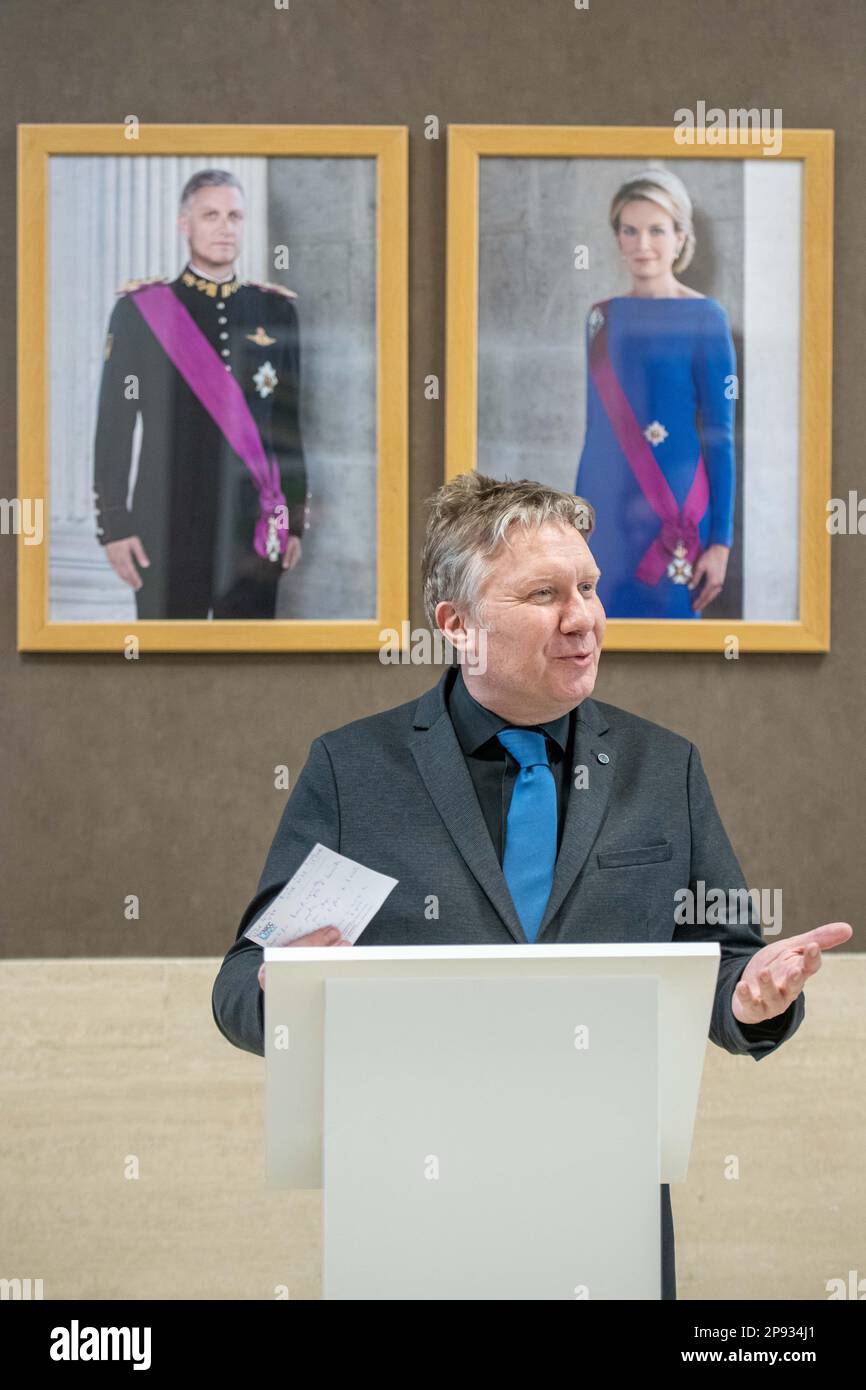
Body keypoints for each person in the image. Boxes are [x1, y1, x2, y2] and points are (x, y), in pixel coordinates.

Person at [212, 472, 851, 1299]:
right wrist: (285, 985)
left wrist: (752, 998)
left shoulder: (664, 769)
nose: (582, 617)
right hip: (409, 1208)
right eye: (545, 593)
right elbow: (239, 988)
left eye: (587, 586)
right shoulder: (355, 771)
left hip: (608, 1208)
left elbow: (727, 960)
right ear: (458, 626)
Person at [92, 168, 310, 619]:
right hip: (166, 525)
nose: (225, 226)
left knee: (249, 670)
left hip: (254, 525)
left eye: (234, 215)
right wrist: (115, 525)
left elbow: (287, 427)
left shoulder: (275, 310)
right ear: (183, 224)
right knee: (166, 673)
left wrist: (291, 523)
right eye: (210, 214)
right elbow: (114, 425)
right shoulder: (140, 312)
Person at [575, 168, 736, 619]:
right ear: (618, 237)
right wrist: (575, 526)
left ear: (681, 237)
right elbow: (596, 435)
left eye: (656, 230)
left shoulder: (707, 316)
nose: (642, 243)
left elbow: (720, 436)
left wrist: (721, 542)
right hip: (606, 508)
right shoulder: (599, 319)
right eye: (630, 230)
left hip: (676, 506)